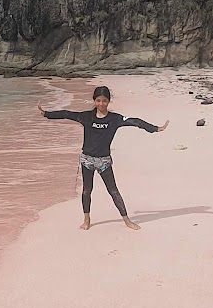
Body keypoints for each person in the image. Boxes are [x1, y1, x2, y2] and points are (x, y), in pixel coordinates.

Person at [38, 85, 168, 230]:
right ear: (94, 101)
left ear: (108, 101)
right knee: (87, 191)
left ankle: (127, 221)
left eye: (104, 101)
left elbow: (134, 121)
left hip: (104, 161)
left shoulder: (115, 119)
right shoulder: (86, 117)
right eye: (98, 100)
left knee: (113, 191)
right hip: (87, 160)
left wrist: (155, 128)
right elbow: (67, 114)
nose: (101, 104)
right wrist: (47, 114)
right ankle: (86, 220)